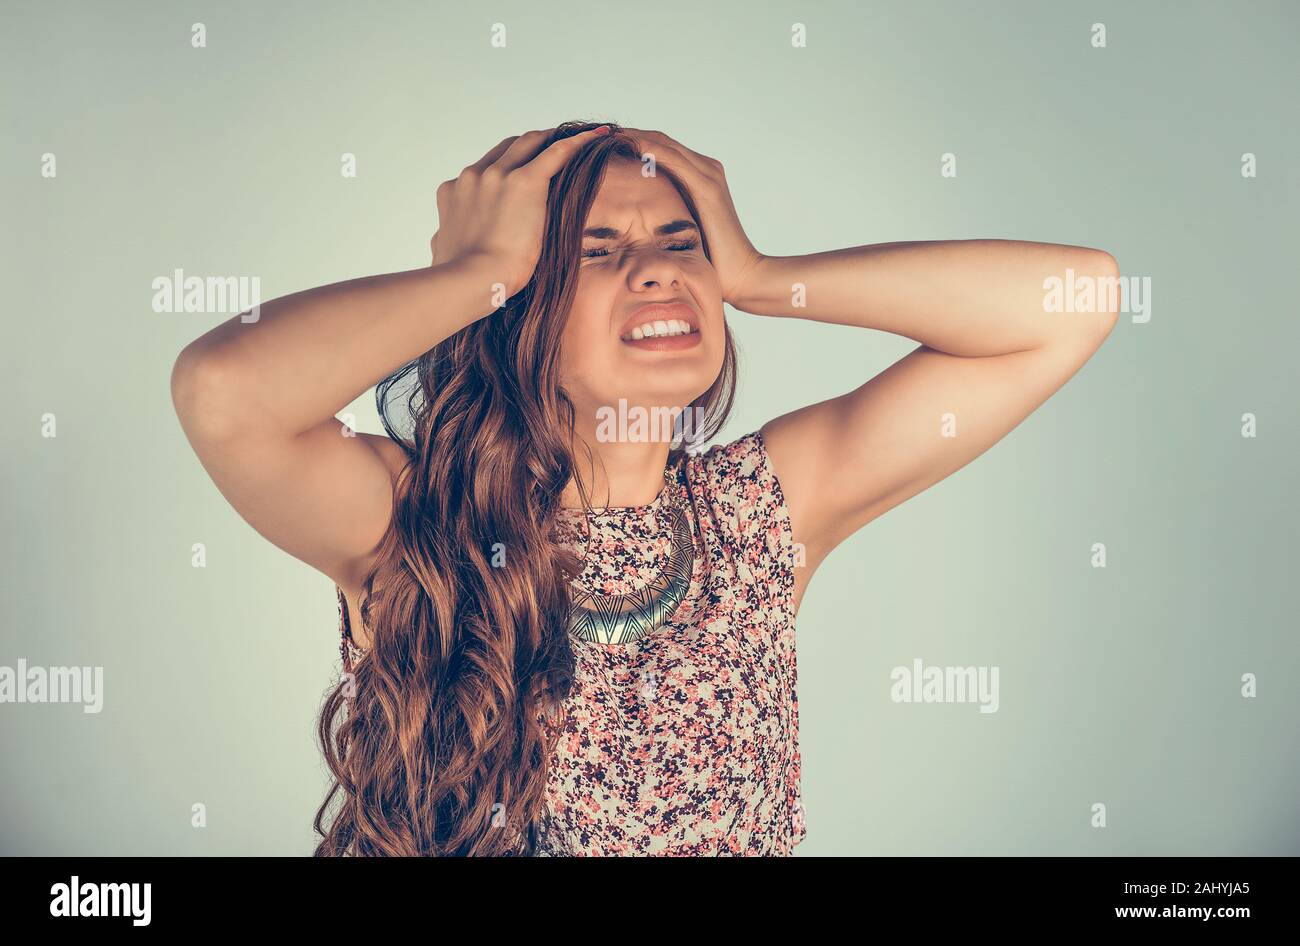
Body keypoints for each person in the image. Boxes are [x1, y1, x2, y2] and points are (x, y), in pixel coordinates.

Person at [170, 121, 1120, 856]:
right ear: (514, 307)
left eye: (681, 239)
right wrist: (477, 272)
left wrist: (763, 274)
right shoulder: (409, 518)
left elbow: (1074, 300)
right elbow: (224, 394)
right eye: (593, 250)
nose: (658, 266)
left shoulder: (759, 512)